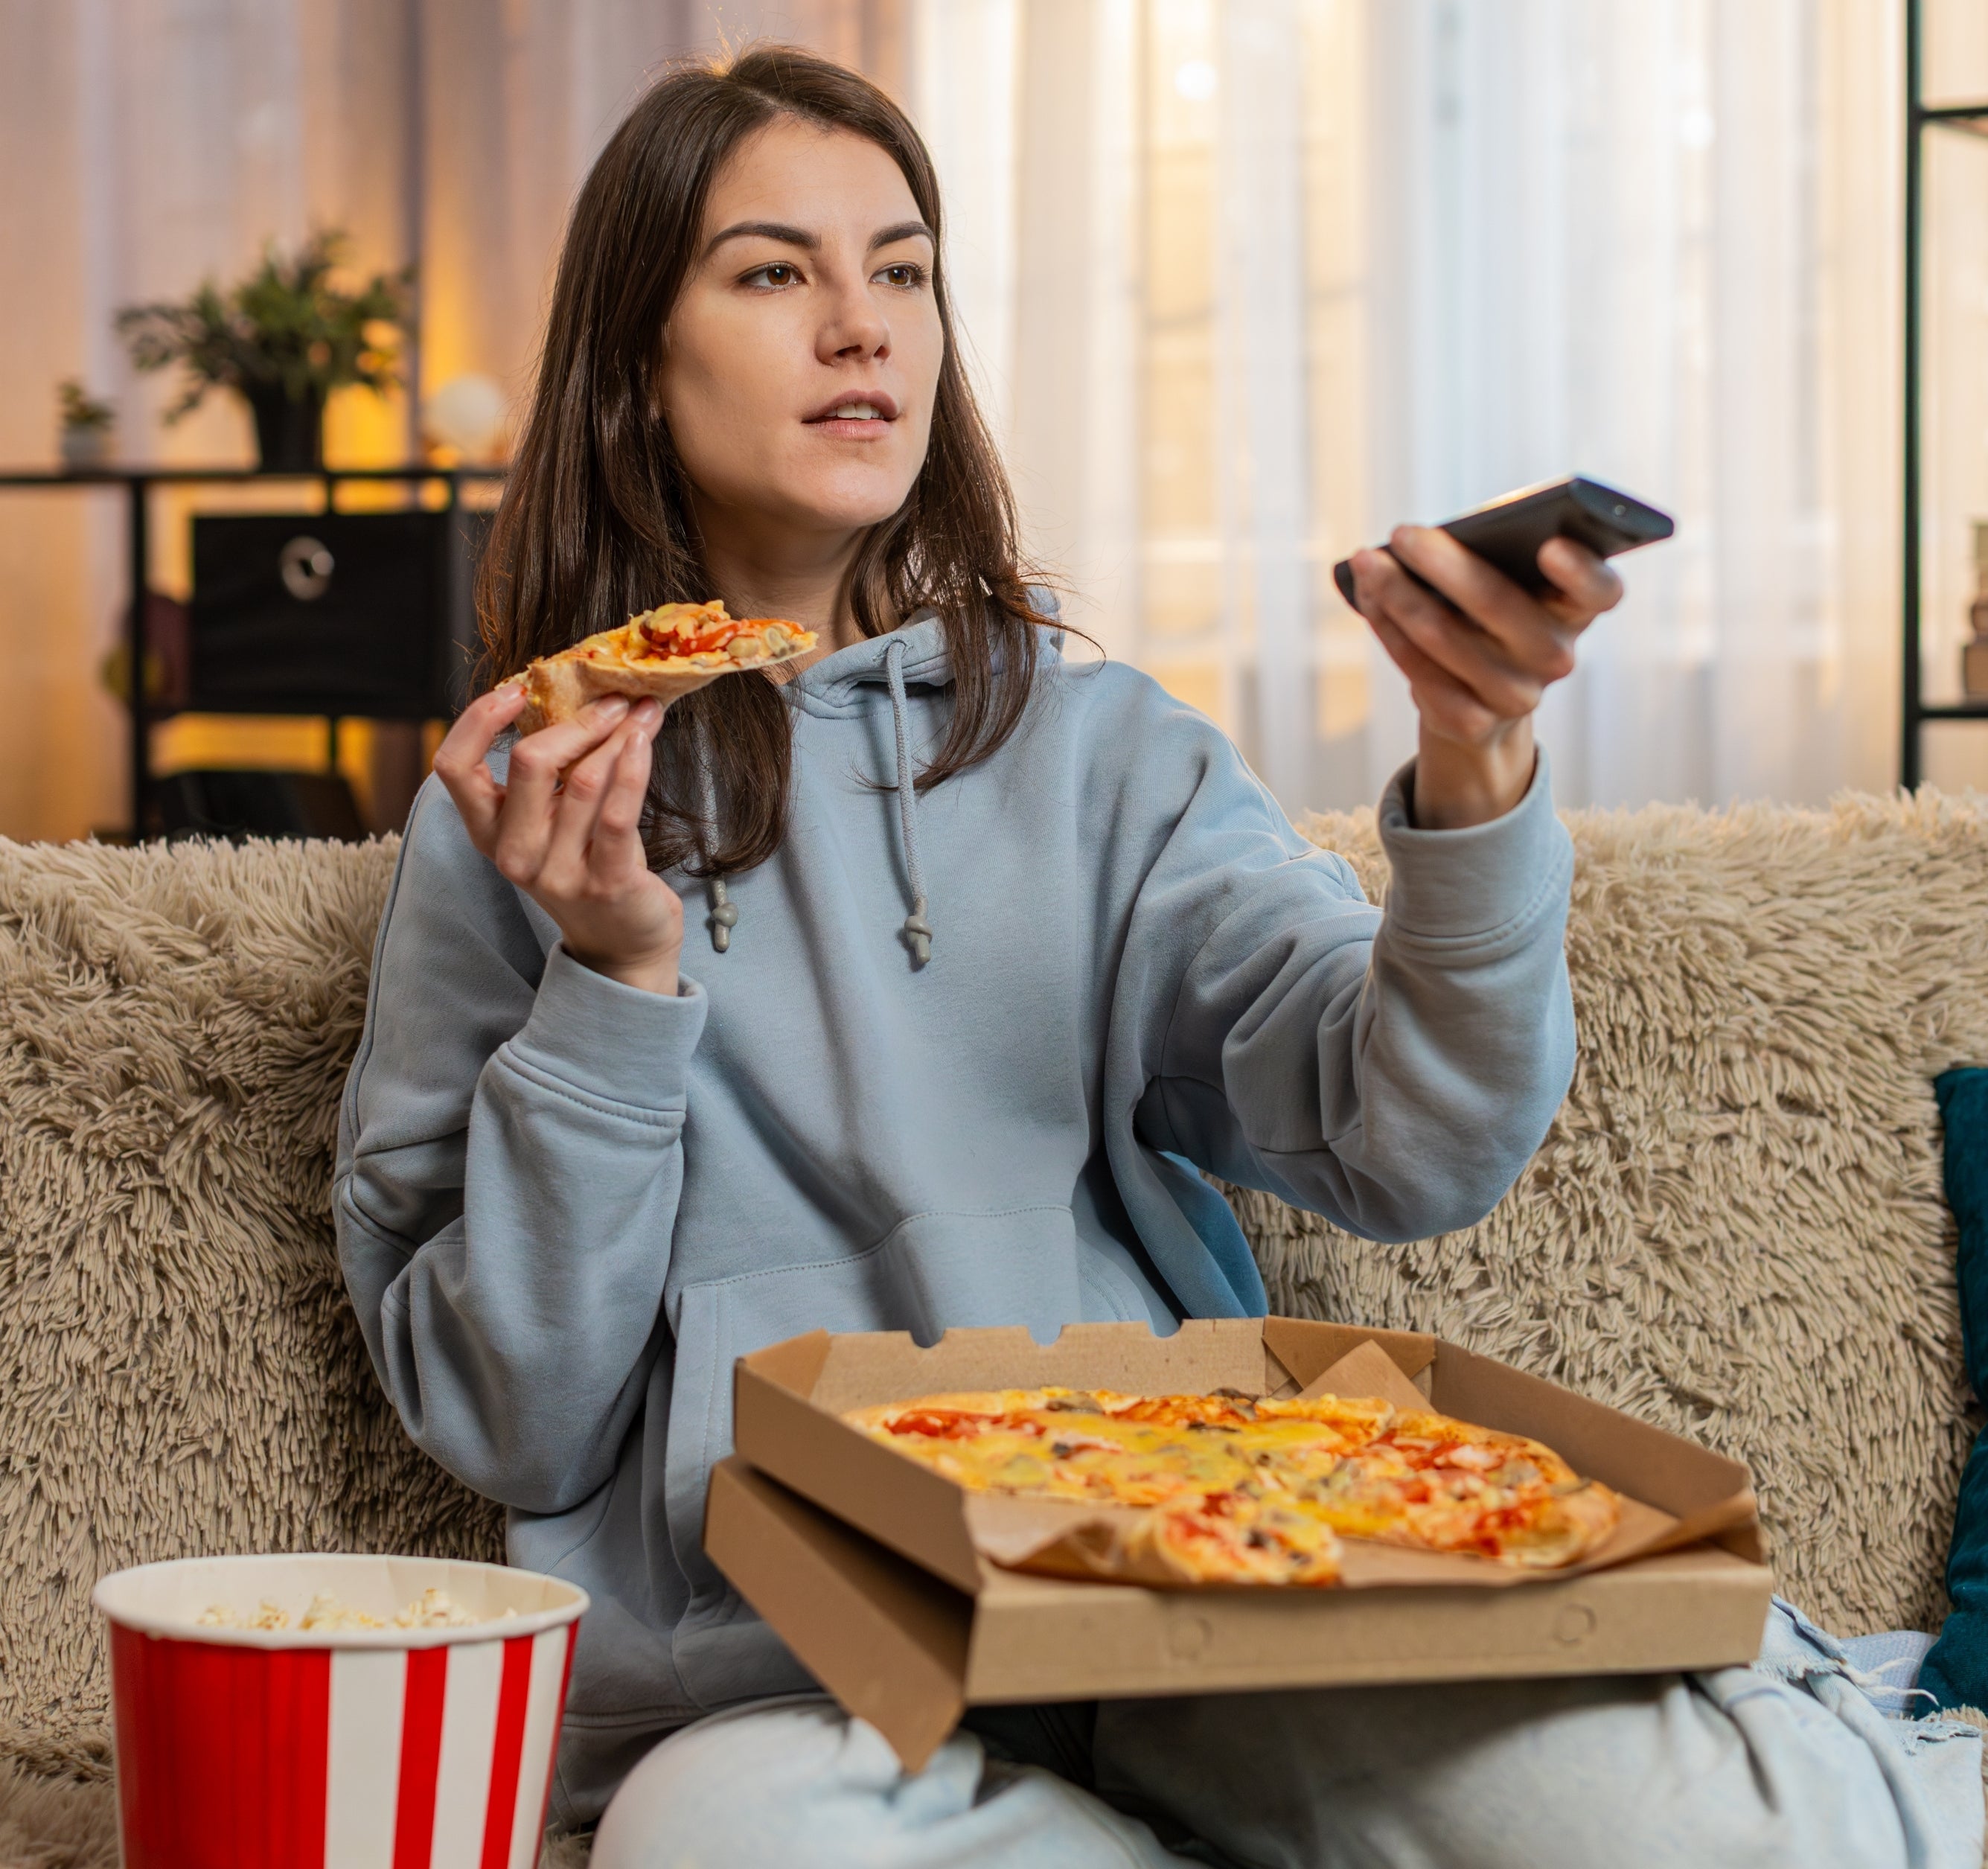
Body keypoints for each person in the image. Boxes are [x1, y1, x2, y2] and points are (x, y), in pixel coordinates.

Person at [335, 44, 1983, 1869]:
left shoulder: (1100, 749)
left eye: (901, 269)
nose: (862, 325)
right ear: (636, 364)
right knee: (717, 1845)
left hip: (1183, 1592)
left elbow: (1420, 1141)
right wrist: (613, 979)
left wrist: (1473, 763)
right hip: (785, 1685)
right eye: (773, 270)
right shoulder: (515, 808)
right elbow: (512, 1414)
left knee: (1720, 1838)